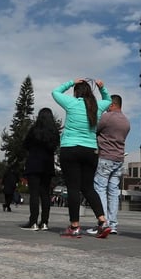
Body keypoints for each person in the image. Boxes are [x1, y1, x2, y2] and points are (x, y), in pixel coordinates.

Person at [52, 78, 113, 239]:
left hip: (70, 149)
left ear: (76, 92)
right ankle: (102, 221)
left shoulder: (72, 103)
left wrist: (71, 82)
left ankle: (74, 226)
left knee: (73, 188)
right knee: (88, 188)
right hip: (90, 150)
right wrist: (102, 88)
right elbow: (108, 100)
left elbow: (55, 92)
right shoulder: (97, 107)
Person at [90, 95, 130, 235]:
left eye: (108, 104)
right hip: (119, 159)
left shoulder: (107, 117)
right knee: (113, 191)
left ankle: (103, 222)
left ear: (112, 104)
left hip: (106, 157)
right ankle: (113, 225)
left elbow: (94, 129)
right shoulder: (126, 121)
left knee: (100, 188)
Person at [21, 108, 60, 231]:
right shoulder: (54, 132)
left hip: (34, 163)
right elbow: (56, 147)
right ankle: (44, 222)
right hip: (47, 165)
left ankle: (33, 222)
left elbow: (25, 144)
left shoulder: (34, 130)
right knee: (45, 194)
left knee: (34, 194)